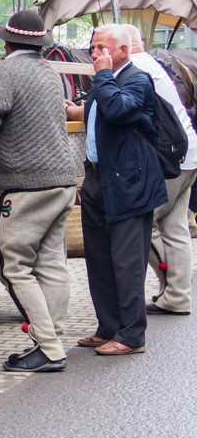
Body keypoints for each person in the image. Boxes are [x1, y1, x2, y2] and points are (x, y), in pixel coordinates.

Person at [0, 10, 77, 372]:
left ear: (7, 43)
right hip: (62, 180)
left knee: (13, 266)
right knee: (52, 264)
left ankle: (50, 349)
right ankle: (52, 339)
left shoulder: (7, 70)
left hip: (26, 184)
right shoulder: (49, 73)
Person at [75, 24, 168, 355]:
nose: (95, 54)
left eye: (101, 48)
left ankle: (132, 334)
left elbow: (117, 110)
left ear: (123, 52)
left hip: (130, 182)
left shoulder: (137, 80)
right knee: (98, 259)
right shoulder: (108, 81)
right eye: (93, 47)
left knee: (127, 261)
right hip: (99, 178)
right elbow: (96, 115)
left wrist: (101, 77)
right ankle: (108, 326)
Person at [123, 24, 197, 315]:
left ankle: (173, 289)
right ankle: (178, 295)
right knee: (175, 227)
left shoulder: (135, 67)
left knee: (146, 222)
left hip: (169, 161)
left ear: (125, 47)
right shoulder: (155, 63)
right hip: (189, 153)